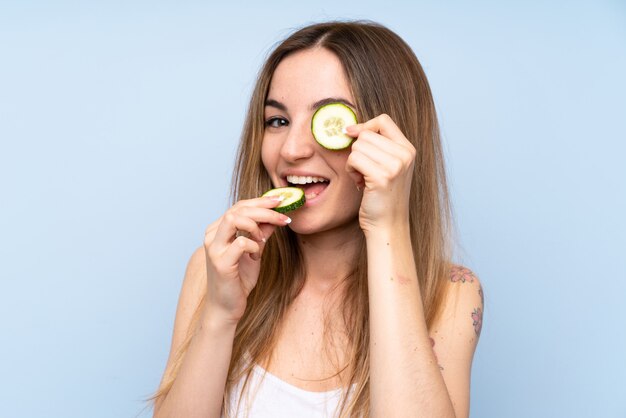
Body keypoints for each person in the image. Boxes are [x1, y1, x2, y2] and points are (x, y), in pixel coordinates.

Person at [149, 20, 484, 418]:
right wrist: (221, 315)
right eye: (277, 121)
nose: (291, 149)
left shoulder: (451, 293)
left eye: (329, 122)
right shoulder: (216, 271)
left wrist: (387, 226)